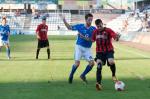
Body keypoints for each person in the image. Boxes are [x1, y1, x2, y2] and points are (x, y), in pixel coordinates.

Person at [60, 13, 96, 84]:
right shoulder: (80, 26)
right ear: (85, 20)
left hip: (87, 49)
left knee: (92, 63)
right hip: (79, 47)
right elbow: (69, 27)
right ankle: (71, 75)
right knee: (77, 64)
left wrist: (84, 37)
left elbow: (93, 40)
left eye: (91, 20)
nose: (90, 21)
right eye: (89, 20)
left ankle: (83, 75)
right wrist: (64, 19)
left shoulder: (94, 29)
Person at [92, 19, 120, 90]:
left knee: (111, 61)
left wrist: (117, 37)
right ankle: (98, 84)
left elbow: (115, 38)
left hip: (109, 50)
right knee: (99, 65)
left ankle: (113, 75)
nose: (99, 27)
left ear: (102, 23)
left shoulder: (108, 30)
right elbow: (92, 40)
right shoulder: (95, 32)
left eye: (100, 25)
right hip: (99, 52)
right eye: (98, 26)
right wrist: (83, 37)